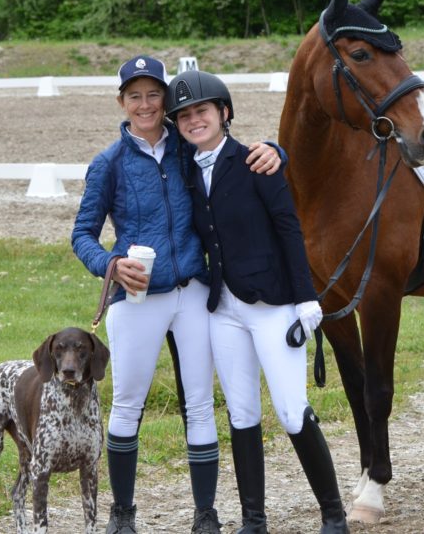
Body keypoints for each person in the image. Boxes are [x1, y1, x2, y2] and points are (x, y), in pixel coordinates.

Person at [71, 55, 283, 534]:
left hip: (192, 292)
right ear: (122, 102)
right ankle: (123, 513)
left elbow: (235, 153)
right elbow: (82, 233)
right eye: (134, 96)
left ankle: (204, 512)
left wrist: (275, 150)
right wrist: (110, 264)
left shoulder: (187, 149)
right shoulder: (108, 164)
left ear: (164, 99)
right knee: (128, 402)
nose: (145, 104)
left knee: (200, 403)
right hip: (138, 298)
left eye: (153, 95)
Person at [165, 70, 349, 534]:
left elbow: (289, 227)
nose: (193, 121)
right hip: (223, 307)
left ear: (224, 113)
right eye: (184, 116)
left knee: (290, 409)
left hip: (272, 304)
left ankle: (333, 514)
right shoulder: (186, 170)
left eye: (202, 111)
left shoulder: (256, 161)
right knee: (242, 412)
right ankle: (254, 520)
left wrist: (307, 298)